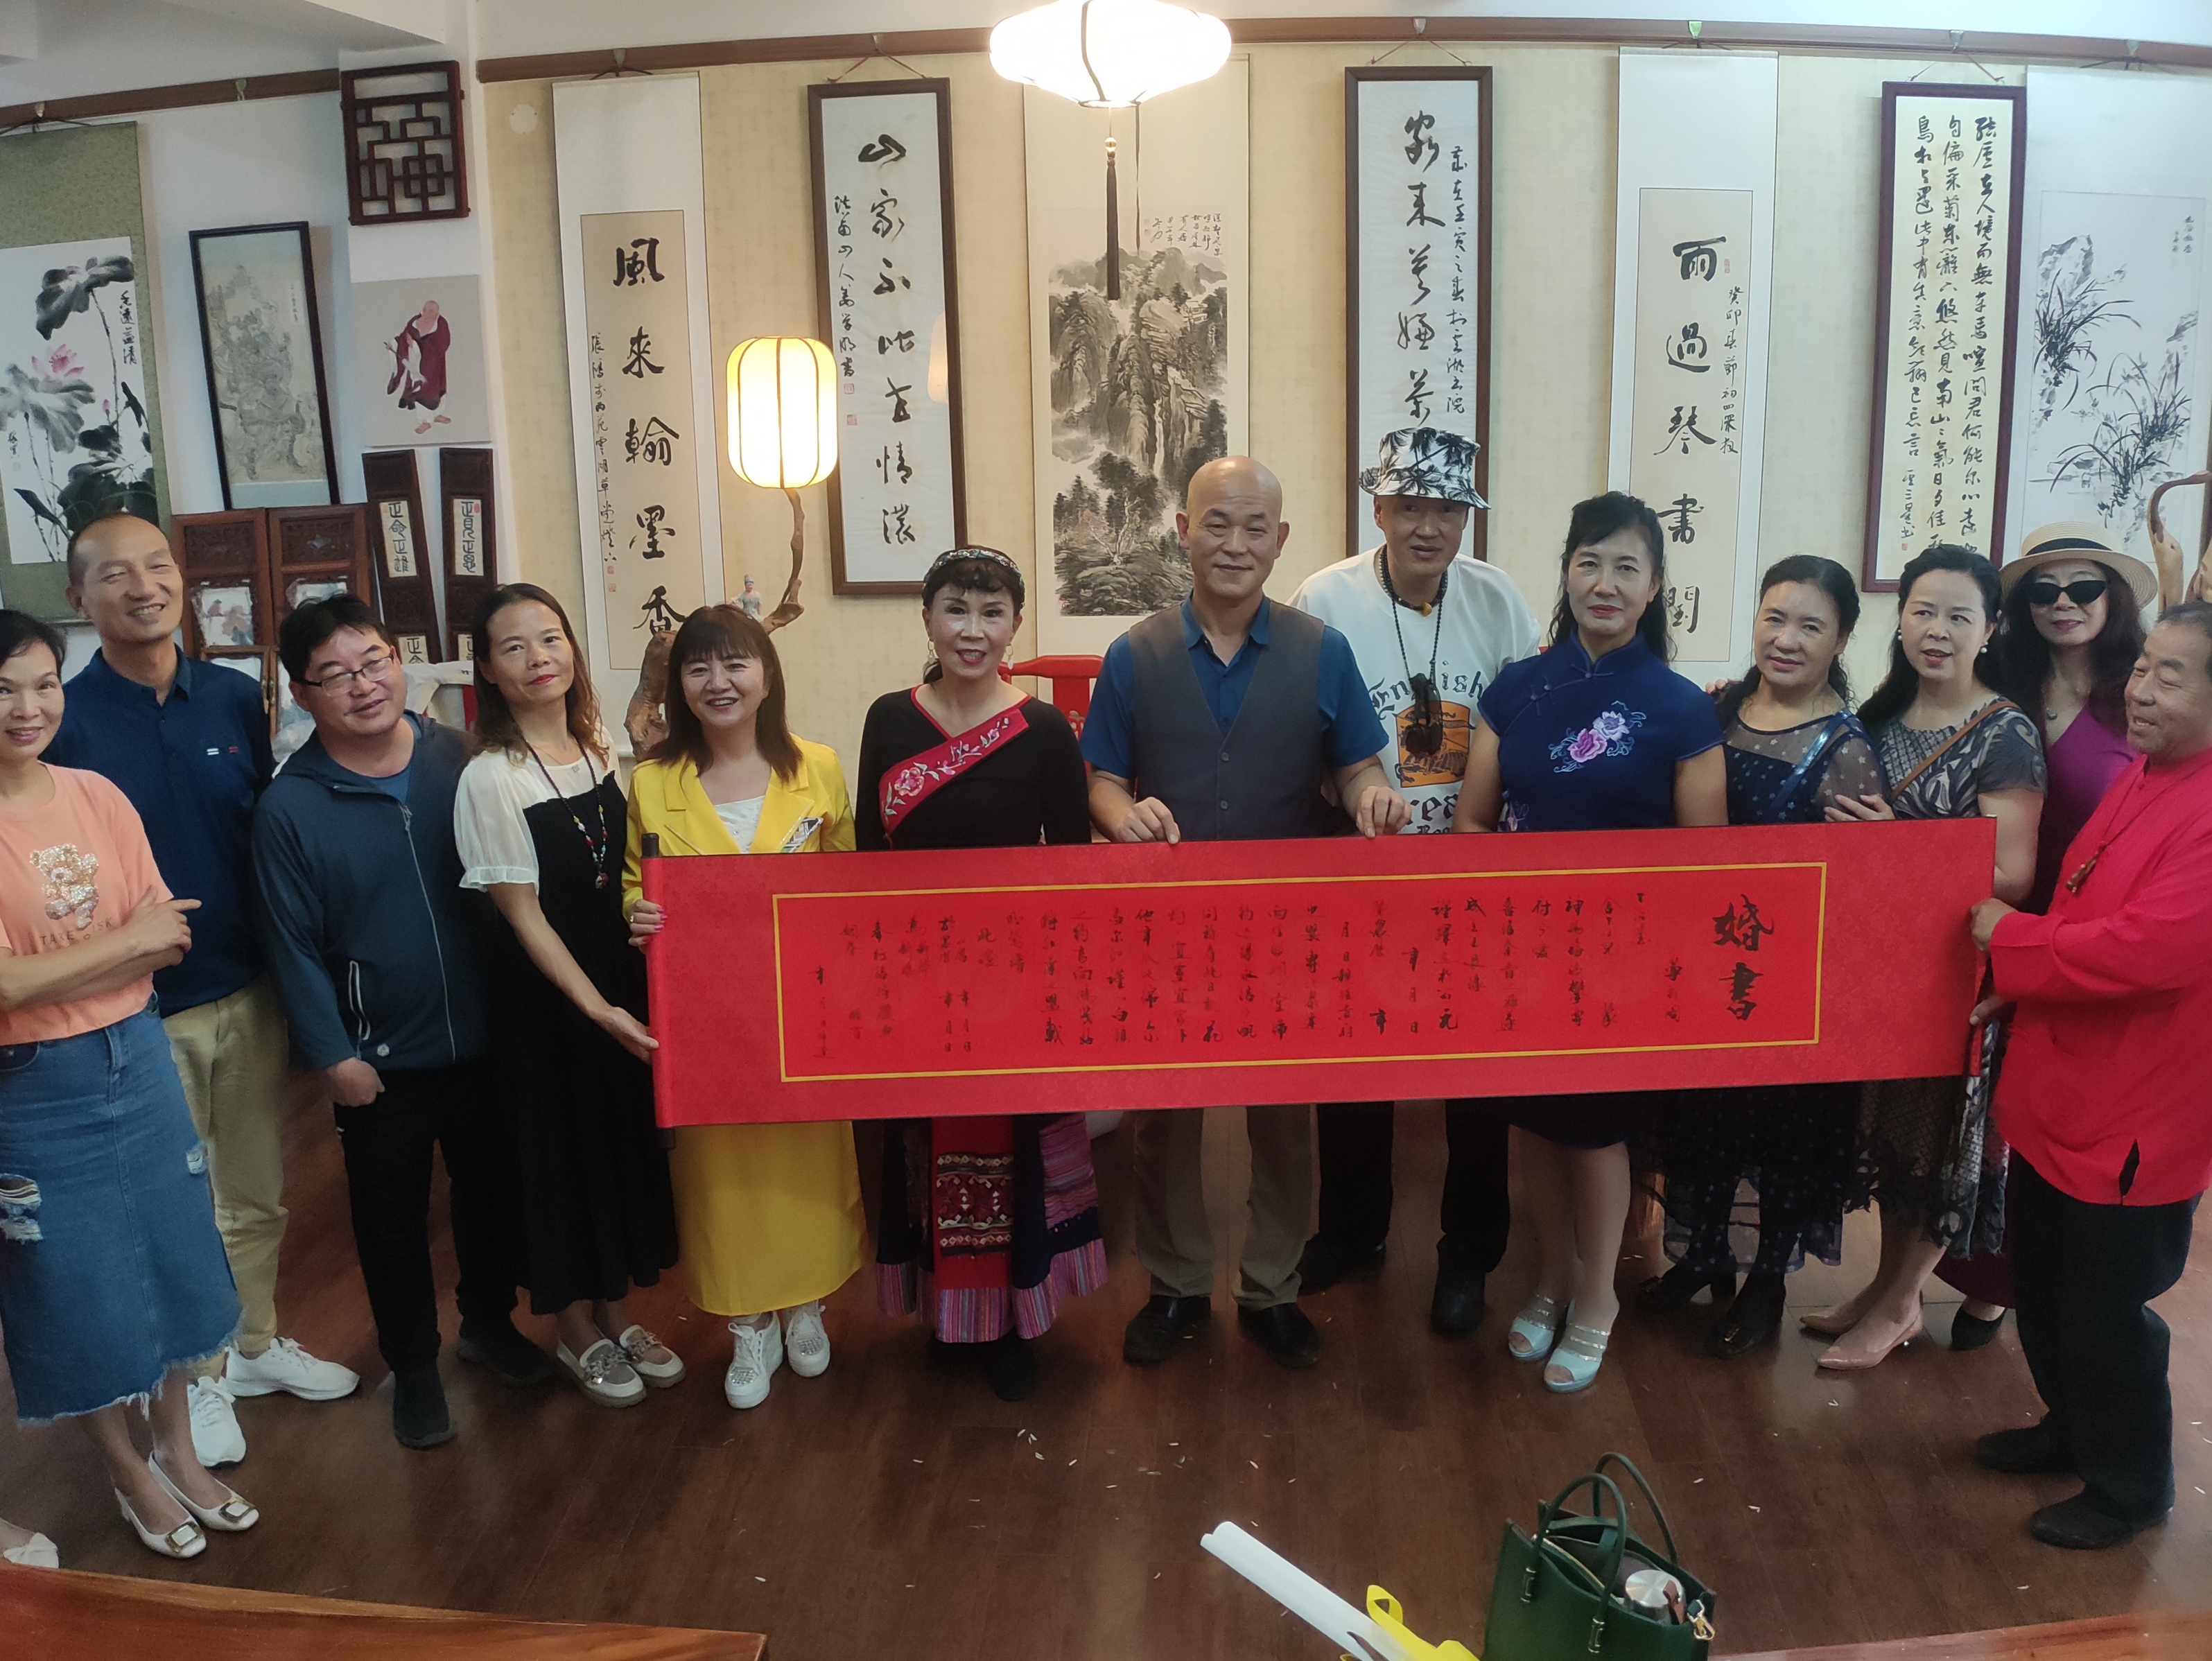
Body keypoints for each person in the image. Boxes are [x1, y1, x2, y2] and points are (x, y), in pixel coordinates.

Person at [1083, 455, 1409, 1373]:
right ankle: (1176, 1283)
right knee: (1164, 1119)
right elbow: (1101, 779)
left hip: (1284, 932)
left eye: (1253, 527)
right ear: (1182, 532)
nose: (1234, 543)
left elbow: (1357, 764)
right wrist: (1118, 814)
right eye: (1215, 524)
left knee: (1282, 1118)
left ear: (1280, 540)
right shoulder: (1134, 654)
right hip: (1166, 931)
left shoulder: (1320, 650)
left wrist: (1371, 793)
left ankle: (1271, 1286)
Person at [46, 512, 356, 1475]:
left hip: (246, 986)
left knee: (256, 1191)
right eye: (115, 574)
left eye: (157, 566)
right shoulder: (62, 720)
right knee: (171, 1211)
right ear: (78, 597)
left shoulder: (229, 697)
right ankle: (198, 1375)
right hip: (131, 1011)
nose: (143, 587)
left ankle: (252, 1343)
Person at [1450, 491, 1727, 1391]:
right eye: (1588, 563)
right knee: (1532, 1123)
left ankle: (1598, 1296)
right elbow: (1472, 821)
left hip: (1624, 959)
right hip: (1521, 951)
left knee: (1596, 1132)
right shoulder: (1514, 689)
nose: (1603, 583)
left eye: (1625, 567)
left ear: (1654, 587)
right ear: (1565, 573)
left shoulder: (1681, 709)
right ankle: (1547, 1279)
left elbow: (1704, 860)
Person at [252, 596, 544, 1450]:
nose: (363, 685)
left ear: (398, 660)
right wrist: (333, 1055)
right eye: (334, 675)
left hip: (485, 1036)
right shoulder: (291, 807)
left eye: (374, 660)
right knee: (390, 1220)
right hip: (378, 1059)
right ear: (302, 694)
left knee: (490, 1197)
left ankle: (488, 1323)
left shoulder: (459, 756)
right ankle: (413, 1365)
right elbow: (290, 945)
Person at [0, 609, 256, 1563]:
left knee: (175, 1254)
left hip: (138, 1051)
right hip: (33, 1081)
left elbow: (170, 934)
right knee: (77, 1284)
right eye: (4, 689)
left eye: (43, 684)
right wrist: (120, 947)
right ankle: (127, 1471)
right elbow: (7, 988)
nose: (28, 707)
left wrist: (81, 963)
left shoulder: (95, 794)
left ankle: (178, 1450)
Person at [1967, 602, 2212, 1550]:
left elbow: (2147, 949)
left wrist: (2011, 940)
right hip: (2062, 1081)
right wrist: (2018, 980)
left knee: (2107, 1310)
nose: (2138, 690)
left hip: (2137, 1109)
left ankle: (2128, 1486)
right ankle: (2068, 1428)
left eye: (2168, 676)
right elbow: (2083, 904)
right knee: (2044, 1279)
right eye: (2141, 666)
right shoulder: (2145, 773)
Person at [1288, 427, 1539, 1333]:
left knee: (1476, 1072)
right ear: (1378, 509)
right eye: (1408, 507)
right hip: (1360, 867)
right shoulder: (1325, 598)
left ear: (1466, 516)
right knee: (1353, 1059)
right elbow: (1298, 722)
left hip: (1472, 868)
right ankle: (1350, 1230)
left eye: (1446, 508)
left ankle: (1469, 1250)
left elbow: (1526, 718)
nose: (1427, 526)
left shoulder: (1497, 598)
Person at [856, 548, 1105, 1403]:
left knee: (1012, 1146)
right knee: (929, 1142)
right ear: (927, 617)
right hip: (917, 979)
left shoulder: (1042, 731)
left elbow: (1069, 865)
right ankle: (947, 1314)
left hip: (1013, 981)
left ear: (1014, 625)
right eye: (955, 609)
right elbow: (867, 858)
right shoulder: (888, 719)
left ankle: (1012, 1320)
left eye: (991, 612)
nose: (972, 630)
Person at [1640, 557, 1884, 1357]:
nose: (1785, 639)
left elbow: (1859, 888)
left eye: (1810, 625)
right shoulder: (1715, 709)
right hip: (1703, 964)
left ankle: (1766, 1284)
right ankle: (1699, 1259)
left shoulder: (1844, 745)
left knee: (1783, 1137)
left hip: (1790, 982)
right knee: (1701, 1120)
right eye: (1774, 617)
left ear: (1839, 639)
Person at [1809, 545, 2045, 1368]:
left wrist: (1899, 844)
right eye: (1921, 611)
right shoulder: (1878, 715)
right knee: (1890, 1134)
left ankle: (1903, 1299)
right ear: (1899, 616)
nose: (1935, 630)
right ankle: (1883, 1286)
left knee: (1936, 1141)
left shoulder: (2005, 731)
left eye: (1956, 615)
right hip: (1879, 966)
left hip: (1955, 971)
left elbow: (2012, 872)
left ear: (1990, 629)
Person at [624, 605, 864, 1411]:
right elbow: (634, 883)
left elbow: (848, 880)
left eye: (735, 663)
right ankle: (748, 1324)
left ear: (766, 674)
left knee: (806, 1162)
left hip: (802, 1011)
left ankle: (805, 1305)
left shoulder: (817, 767)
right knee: (721, 1175)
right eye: (698, 667)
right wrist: (636, 913)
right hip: (706, 1019)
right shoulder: (652, 781)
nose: (718, 682)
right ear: (678, 686)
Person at [456, 585, 681, 1409]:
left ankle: (615, 1311)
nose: (537, 658)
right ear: (489, 669)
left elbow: (617, 874)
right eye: (513, 647)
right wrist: (595, 1008)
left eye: (549, 638)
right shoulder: (489, 776)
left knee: (613, 1148)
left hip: (616, 979)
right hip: (547, 1000)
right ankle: (572, 1328)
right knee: (559, 1158)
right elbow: (523, 916)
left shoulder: (595, 746)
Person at [1932, 522, 2155, 1348]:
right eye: (2042, 589)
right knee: (1983, 1108)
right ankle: (1985, 1273)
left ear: (2112, 597)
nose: (2063, 603)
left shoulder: (2141, 695)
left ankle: (2030, 1284)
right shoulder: (1999, 684)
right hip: (1993, 916)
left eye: (2082, 586)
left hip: (2095, 931)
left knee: (2059, 1115)